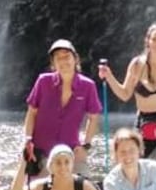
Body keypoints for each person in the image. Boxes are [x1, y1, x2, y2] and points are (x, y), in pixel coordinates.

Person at [98, 23, 156, 179]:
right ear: (147, 40)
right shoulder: (136, 64)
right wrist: (109, 76)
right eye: (155, 39)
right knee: (132, 161)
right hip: (145, 120)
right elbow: (124, 94)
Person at [23, 39, 102, 175]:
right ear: (53, 63)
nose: (63, 61)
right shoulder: (43, 81)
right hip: (40, 152)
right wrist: (27, 139)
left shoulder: (88, 86)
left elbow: (93, 117)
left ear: (75, 59)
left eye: (66, 56)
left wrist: (86, 146)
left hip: (71, 153)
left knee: (84, 189)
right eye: (58, 58)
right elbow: (31, 113)